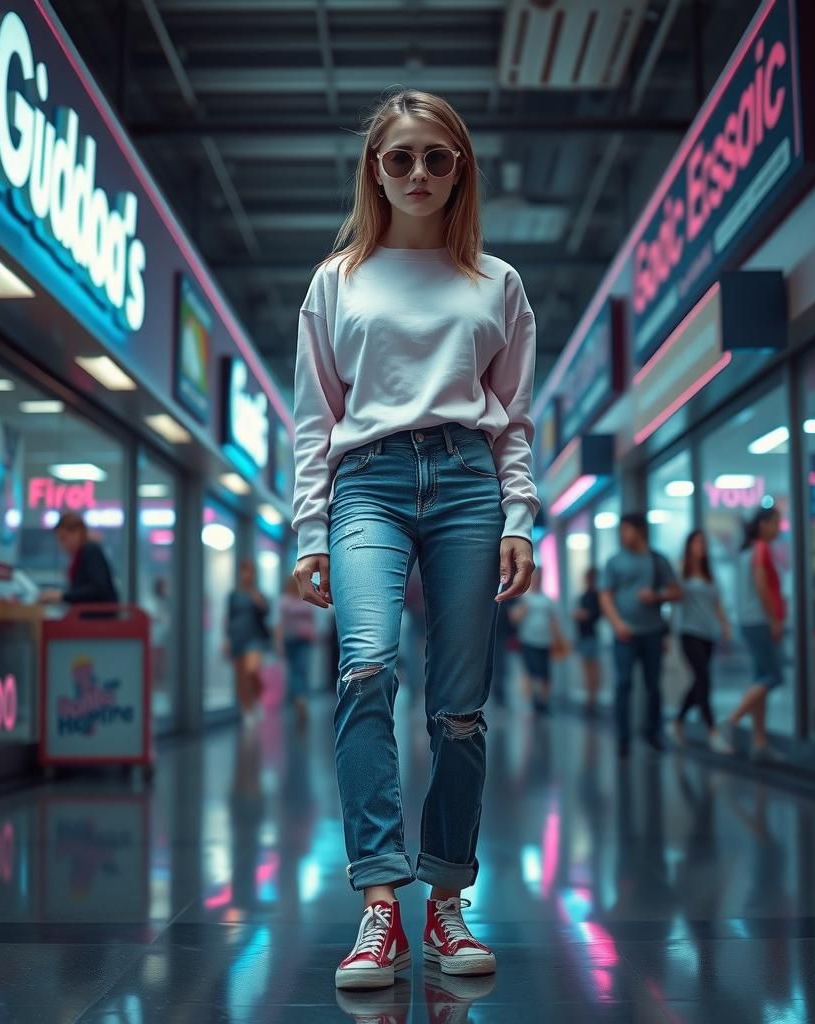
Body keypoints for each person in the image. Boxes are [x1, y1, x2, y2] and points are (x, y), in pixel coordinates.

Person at [290, 89, 538, 990]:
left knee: (459, 705)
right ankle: (381, 906)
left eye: (437, 157)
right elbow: (314, 417)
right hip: (368, 484)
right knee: (365, 668)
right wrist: (307, 531)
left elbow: (513, 421)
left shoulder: (496, 283)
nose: (421, 173)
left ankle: (446, 896)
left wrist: (521, 516)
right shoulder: (337, 280)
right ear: (375, 170)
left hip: (470, 484)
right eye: (401, 158)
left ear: (460, 166)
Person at [599, 513, 681, 758]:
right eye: (622, 530)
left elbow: (677, 592)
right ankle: (623, 738)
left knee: (653, 685)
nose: (623, 535)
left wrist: (656, 596)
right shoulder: (614, 562)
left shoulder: (658, 560)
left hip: (653, 632)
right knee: (623, 683)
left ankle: (653, 733)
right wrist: (617, 624)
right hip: (625, 633)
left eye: (627, 530)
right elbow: (605, 596)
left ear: (641, 531)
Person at [721, 506, 785, 761]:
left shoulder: (747, 550)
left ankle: (760, 742)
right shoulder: (760, 549)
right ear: (763, 525)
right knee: (772, 676)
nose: (779, 528)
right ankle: (732, 720)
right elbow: (761, 585)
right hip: (759, 621)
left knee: (761, 677)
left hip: (749, 621)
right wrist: (774, 620)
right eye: (776, 523)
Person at [671, 530, 733, 753]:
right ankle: (713, 732)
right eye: (696, 542)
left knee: (700, 681)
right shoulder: (681, 573)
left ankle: (677, 721)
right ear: (689, 546)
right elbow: (673, 598)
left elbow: (717, 603)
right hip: (688, 632)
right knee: (703, 680)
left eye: (703, 543)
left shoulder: (709, 575)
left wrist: (725, 625)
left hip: (708, 633)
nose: (700, 547)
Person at [509, 569, 567, 715]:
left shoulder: (548, 600)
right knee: (533, 672)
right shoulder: (524, 599)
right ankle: (535, 701)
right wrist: (524, 608)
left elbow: (554, 622)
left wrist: (559, 639)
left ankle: (543, 701)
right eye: (535, 578)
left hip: (545, 641)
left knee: (545, 673)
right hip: (528, 641)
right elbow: (514, 618)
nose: (537, 581)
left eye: (539, 578)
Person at [39, 511, 118, 606]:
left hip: (97, 617)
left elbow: (98, 588)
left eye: (63, 538)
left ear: (77, 533)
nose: (61, 545)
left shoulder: (90, 551)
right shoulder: (80, 555)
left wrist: (62, 596)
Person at [226, 559, 270, 723]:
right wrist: (227, 639)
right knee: (241, 677)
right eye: (244, 571)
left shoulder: (259, 594)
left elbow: (266, 613)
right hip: (237, 637)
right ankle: (246, 710)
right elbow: (229, 618)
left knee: (252, 671)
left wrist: (258, 600)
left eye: (250, 571)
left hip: (255, 638)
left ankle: (257, 700)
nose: (247, 575)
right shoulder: (233, 595)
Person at [276, 574, 316, 725]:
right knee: (299, 670)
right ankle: (300, 698)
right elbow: (280, 624)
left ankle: (299, 698)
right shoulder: (293, 600)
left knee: (297, 670)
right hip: (295, 639)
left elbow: (281, 624)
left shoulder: (294, 599)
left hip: (298, 639)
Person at [572, 567, 602, 717]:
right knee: (587, 672)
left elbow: (596, 615)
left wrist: (585, 615)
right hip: (583, 636)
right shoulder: (584, 596)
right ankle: (589, 701)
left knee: (593, 672)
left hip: (592, 636)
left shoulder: (598, 596)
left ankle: (592, 700)